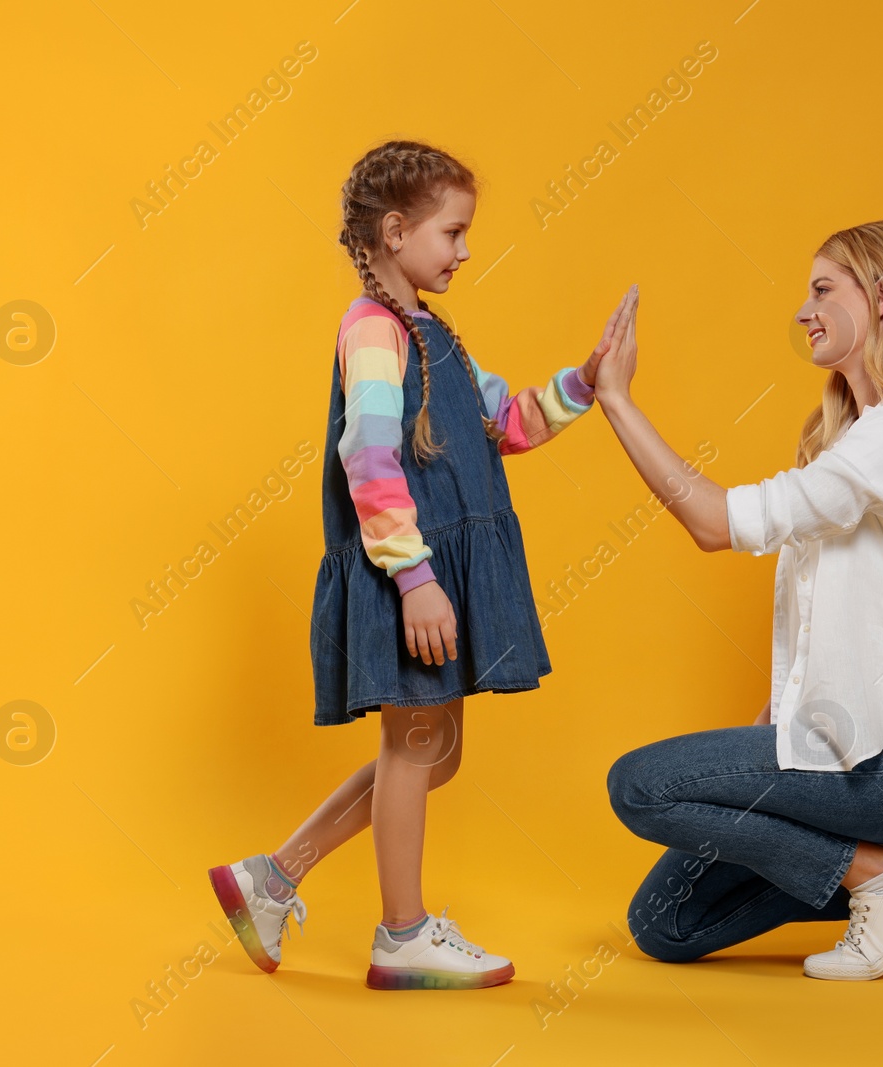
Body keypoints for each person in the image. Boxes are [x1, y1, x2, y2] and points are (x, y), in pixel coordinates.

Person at [207, 140, 629, 990]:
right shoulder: (371, 332)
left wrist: (582, 384)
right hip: (408, 574)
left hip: (430, 571)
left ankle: (274, 876)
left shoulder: (433, 333)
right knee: (416, 748)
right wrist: (417, 578)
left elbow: (505, 426)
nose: (466, 250)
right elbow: (368, 458)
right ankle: (401, 935)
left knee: (435, 753)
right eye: (454, 231)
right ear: (395, 232)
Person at [599, 220, 883, 980]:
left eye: (823, 289)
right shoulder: (857, 438)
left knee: (639, 784)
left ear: (882, 299)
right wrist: (774, 732)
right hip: (846, 746)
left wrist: (618, 401)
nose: (803, 310)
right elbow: (835, 615)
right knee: (664, 922)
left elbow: (714, 521)